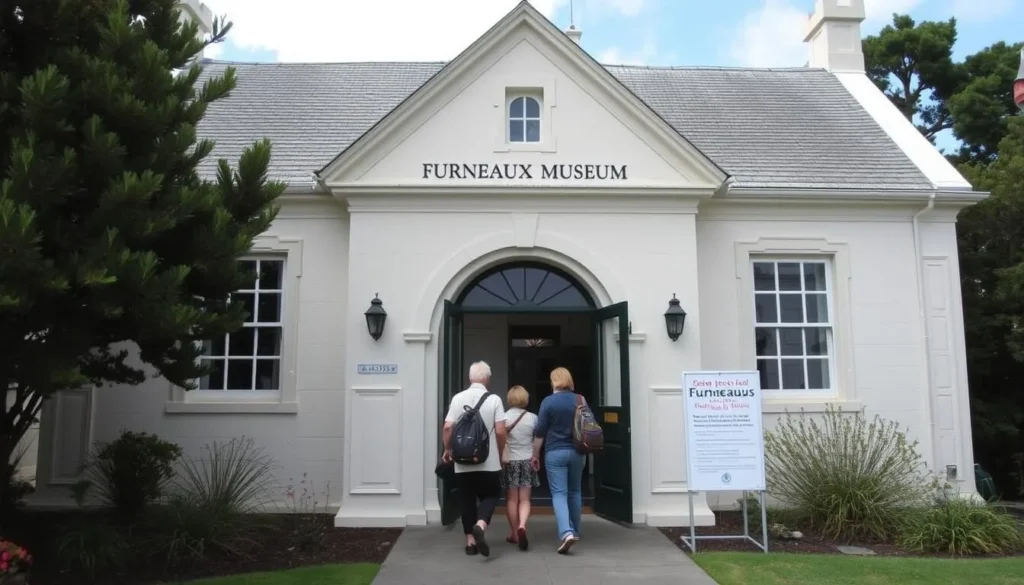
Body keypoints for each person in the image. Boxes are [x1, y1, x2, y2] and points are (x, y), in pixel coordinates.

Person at [442, 361, 507, 557]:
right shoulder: (494, 399)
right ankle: (481, 524)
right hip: (489, 461)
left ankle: (470, 542)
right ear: (487, 379)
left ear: (470, 378)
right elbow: (501, 431)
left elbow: (447, 427)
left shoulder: (458, 398)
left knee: (467, 500)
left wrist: (447, 449)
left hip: (463, 461)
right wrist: (500, 450)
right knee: (492, 494)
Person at [531, 367, 585, 554]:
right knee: (575, 491)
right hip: (577, 452)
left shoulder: (548, 402)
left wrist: (535, 454)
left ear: (553, 381)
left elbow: (540, 431)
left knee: (559, 494)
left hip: (555, 452)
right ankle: (575, 531)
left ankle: (566, 532)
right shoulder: (580, 399)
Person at [500, 385, 540, 551]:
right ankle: (523, 525)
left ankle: (514, 533)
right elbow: (537, 437)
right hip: (527, 461)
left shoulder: (504, 417)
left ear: (510, 399)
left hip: (510, 462)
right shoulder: (533, 418)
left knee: (511, 499)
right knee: (524, 499)